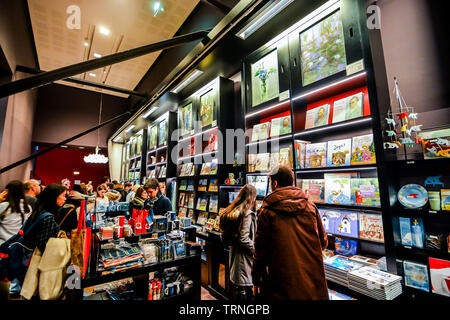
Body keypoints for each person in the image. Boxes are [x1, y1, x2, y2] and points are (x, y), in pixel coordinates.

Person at [253, 166, 329, 300]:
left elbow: (260, 252)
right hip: (312, 283)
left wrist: (256, 280)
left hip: (281, 284)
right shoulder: (310, 206)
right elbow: (323, 242)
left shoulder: (267, 211)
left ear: (275, 183)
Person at [219, 184, 257, 301]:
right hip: (244, 260)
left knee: (239, 289)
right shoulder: (247, 214)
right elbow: (243, 238)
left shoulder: (234, 211)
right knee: (244, 291)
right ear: (252, 197)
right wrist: (255, 249)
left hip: (236, 258)